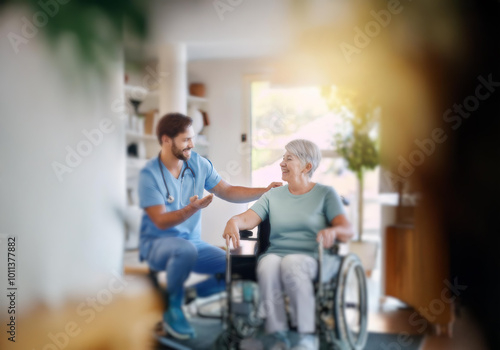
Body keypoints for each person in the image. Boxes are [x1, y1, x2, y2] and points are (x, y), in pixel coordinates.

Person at [138, 113, 281, 339]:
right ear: (166, 140)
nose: (192, 145)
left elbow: (228, 190)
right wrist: (191, 209)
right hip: (158, 244)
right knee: (182, 249)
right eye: (186, 140)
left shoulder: (197, 163)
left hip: (192, 244)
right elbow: (160, 221)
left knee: (233, 269)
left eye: (192, 138)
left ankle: (184, 296)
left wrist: (264, 191)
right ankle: (174, 310)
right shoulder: (150, 175)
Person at [223, 139, 354, 350]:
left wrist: (334, 230)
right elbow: (249, 217)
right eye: (283, 158)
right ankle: (278, 335)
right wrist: (234, 221)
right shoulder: (273, 195)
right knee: (267, 264)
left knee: (292, 263)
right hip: (276, 254)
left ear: (307, 166)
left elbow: (347, 230)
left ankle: (306, 337)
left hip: (313, 256)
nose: (282, 163)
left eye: (289, 159)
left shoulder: (325, 194)